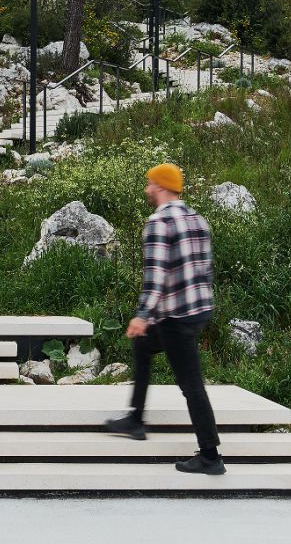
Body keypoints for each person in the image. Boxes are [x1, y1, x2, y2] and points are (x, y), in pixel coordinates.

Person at [105, 163, 224, 475]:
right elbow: (207, 268)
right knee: (144, 345)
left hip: (175, 316)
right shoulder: (197, 218)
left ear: (161, 186)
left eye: (150, 184)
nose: (147, 189)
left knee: (191, 385)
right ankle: (135, 419)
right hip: (198, 310)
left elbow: (155, 278)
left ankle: (210, 456)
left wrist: (142, 315)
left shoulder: (159, 223)